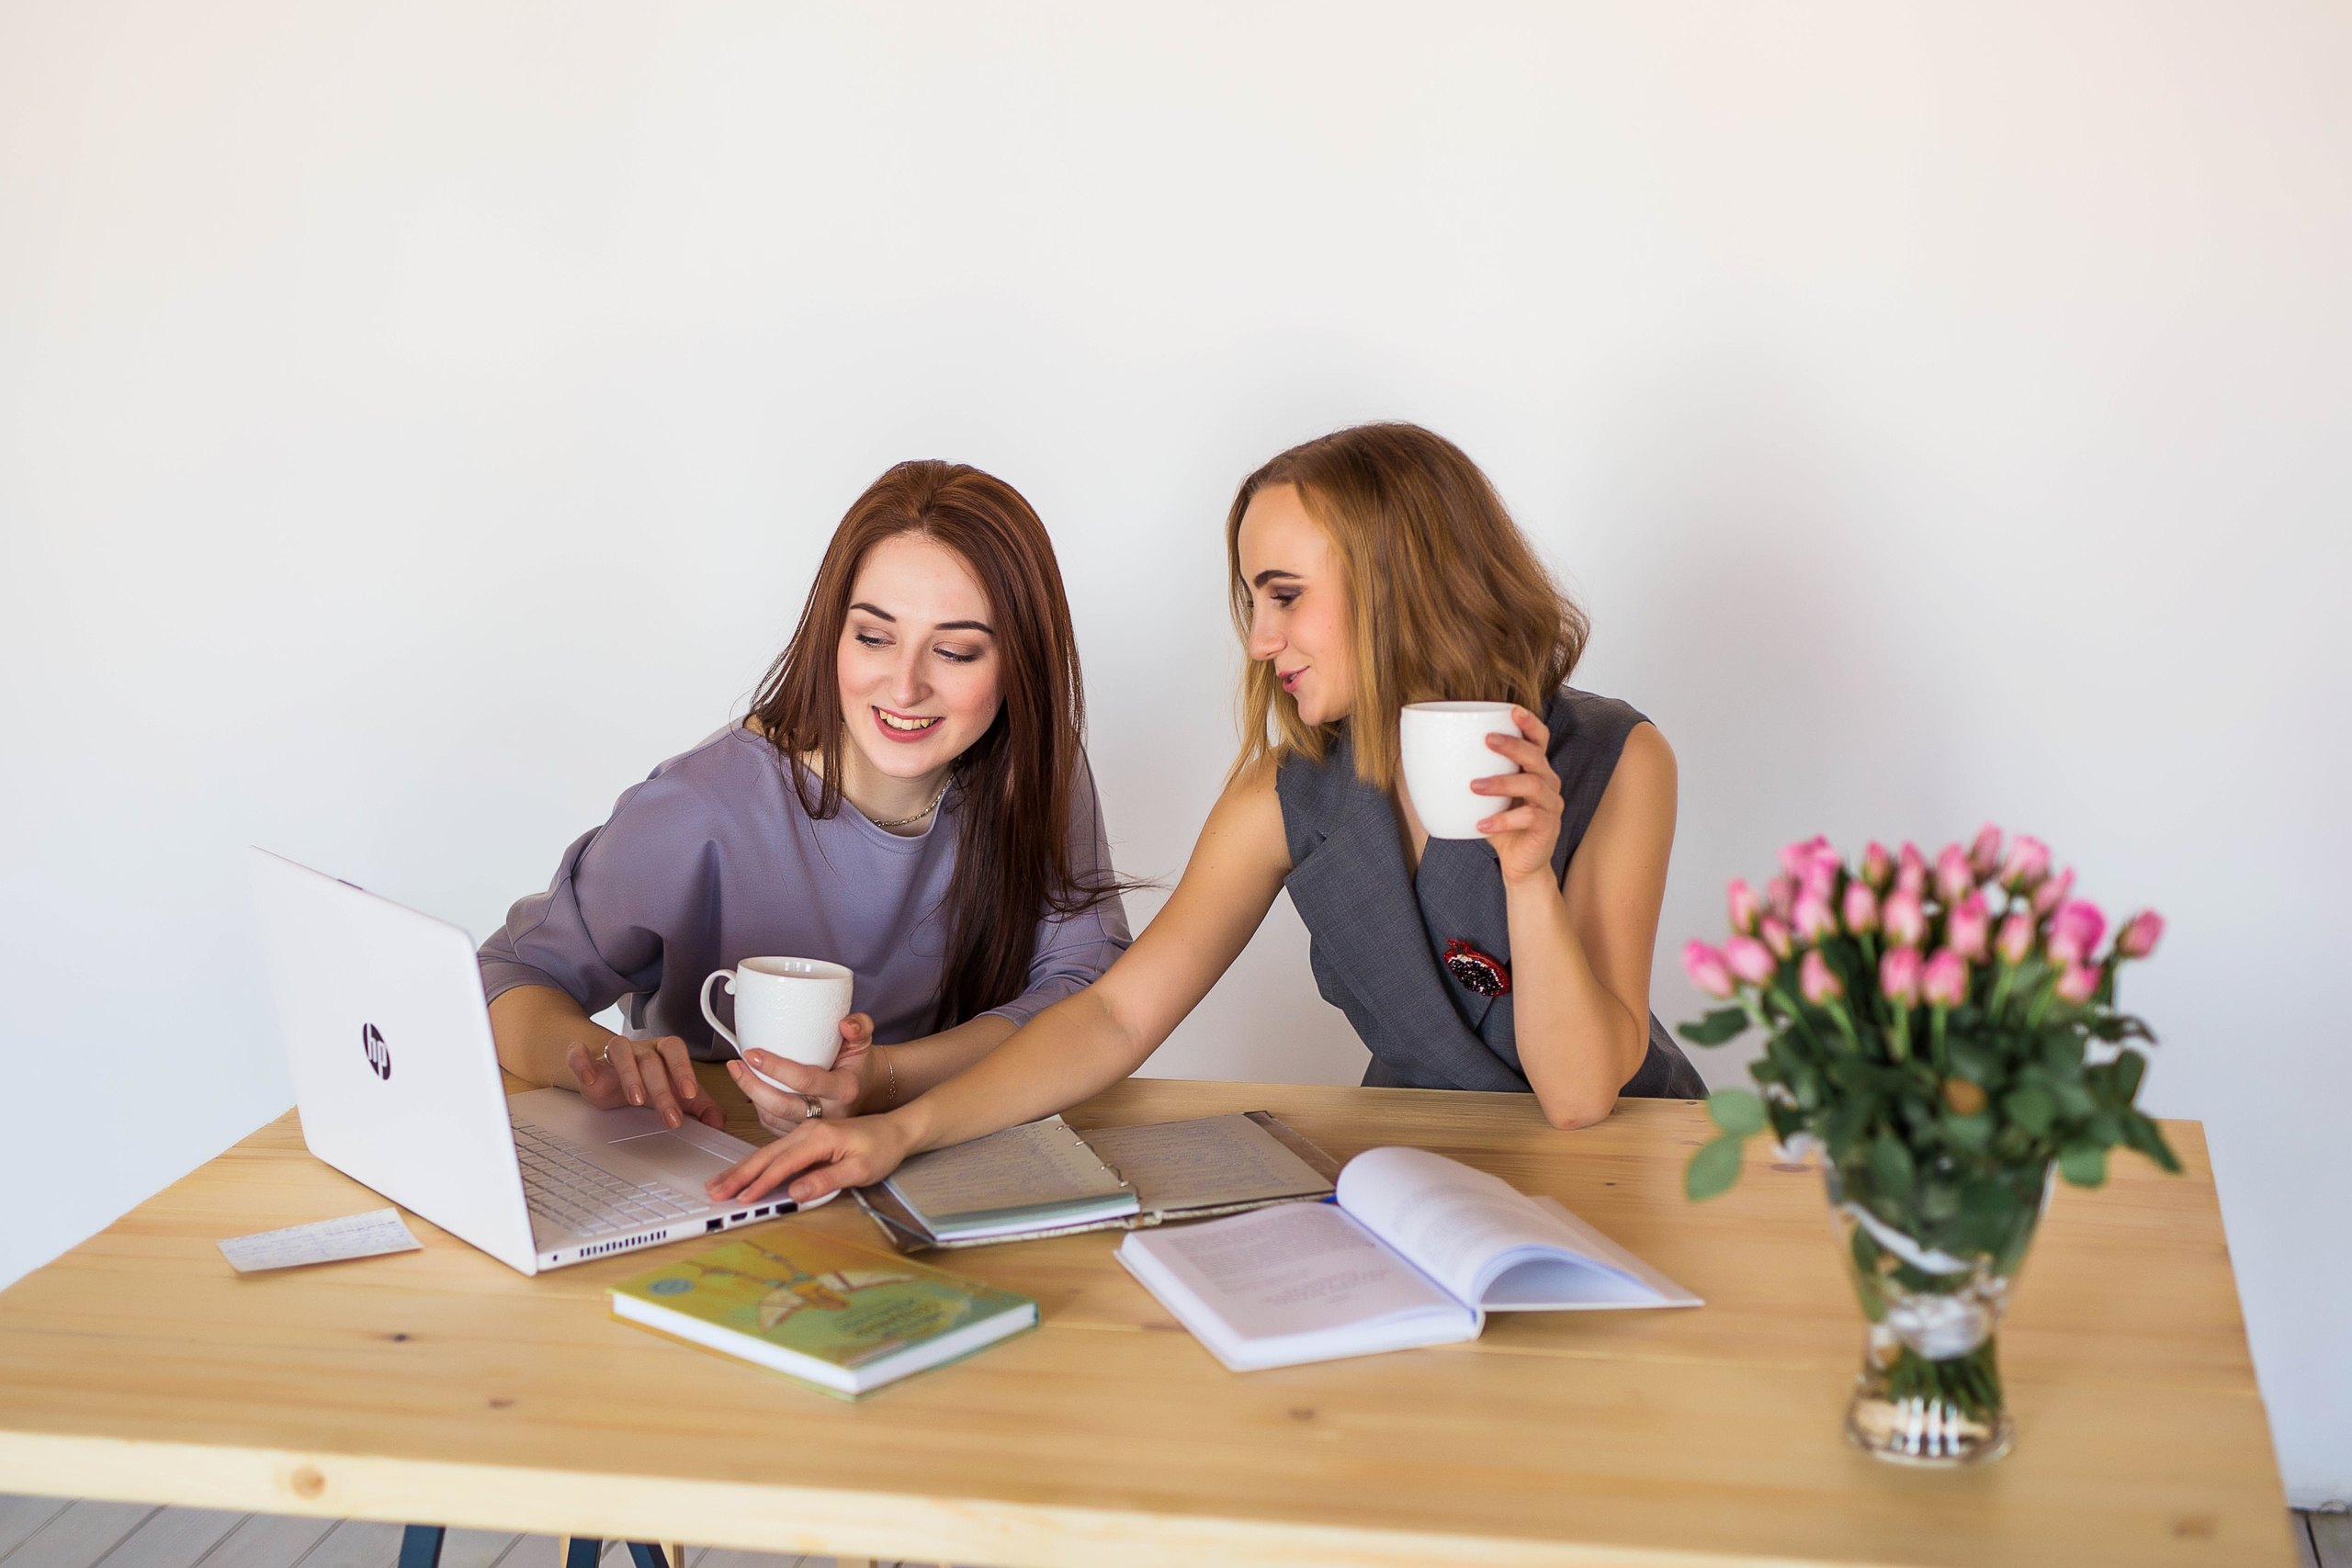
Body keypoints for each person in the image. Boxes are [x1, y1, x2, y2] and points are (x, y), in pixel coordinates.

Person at [709, 422, 1703, 1207]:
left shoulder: (1617, 759)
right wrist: (903, 1126)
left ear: (1395, 584)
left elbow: (1579, 1097)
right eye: (1251, 601)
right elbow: (1111, 1014)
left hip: (1628, 1171)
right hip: (1424, 1183)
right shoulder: (1288, 790)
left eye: (1285, 596)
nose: (1262, 640)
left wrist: (1527, 874)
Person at [478, 460, 1131, 1137]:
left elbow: (1090, 997)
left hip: (938, 1158)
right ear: (833, 633)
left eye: (957, 651)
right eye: (874, 637)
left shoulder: (1037, 776)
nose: (904, 687)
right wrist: (602, 1059)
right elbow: (511, 974)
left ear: (1019, 663)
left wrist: (887, 1078)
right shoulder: (701, 806)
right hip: (713, 1157)